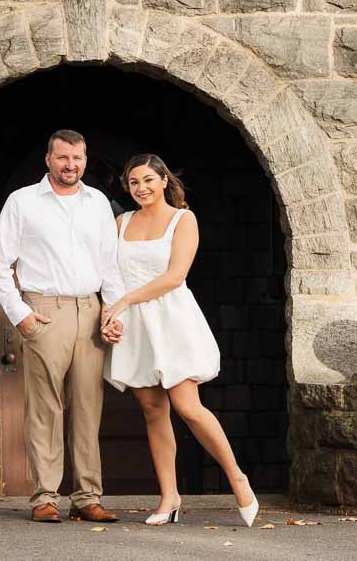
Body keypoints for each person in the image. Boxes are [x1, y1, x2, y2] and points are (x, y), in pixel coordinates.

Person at [101, 154, 259, 528]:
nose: (141, 188)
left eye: (148, 180)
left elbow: (175, 276)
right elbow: (110, 274)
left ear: (163, 180)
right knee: (153, 411)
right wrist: (111, 314)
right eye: (134, 182)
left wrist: (124, 300)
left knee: (188, 406)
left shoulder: (183, 219)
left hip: (172, 319)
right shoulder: (121, 222)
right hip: (135, 326)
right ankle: (169, 497)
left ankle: (237, 477)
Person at [0, 129, 126, 524]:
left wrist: (113, 312)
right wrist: (20, 313)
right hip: (45, 310)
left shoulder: (97, 202)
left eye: (77, 158)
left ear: (85, 159)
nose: (70, 165)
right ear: (48, 159)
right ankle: (45, 496)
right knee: (44, 408)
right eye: (63, 158)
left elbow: (109, 262)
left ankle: (87, 497)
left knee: (87, 407)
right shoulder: (23, 202)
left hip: (91, 308)